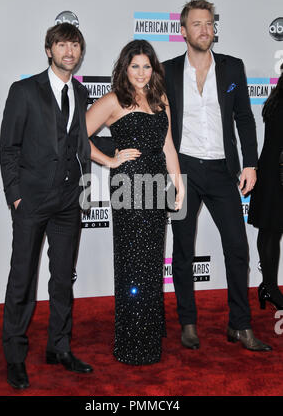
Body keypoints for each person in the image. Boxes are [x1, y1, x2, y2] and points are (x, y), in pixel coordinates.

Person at [163, 0, 271, 351]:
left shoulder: (232, 67)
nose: (205, 30)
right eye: (196, 24)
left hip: (224, 171)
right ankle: (188, 322)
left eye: (209, 23)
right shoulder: (166, 72)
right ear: (183, 31)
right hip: (184, 172)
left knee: (237, 249)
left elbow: (244, 118)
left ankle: (239, 325)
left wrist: (251, 163)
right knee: (182, 250)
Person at [0, 23, 93, 389]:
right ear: (49, 50)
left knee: (62, 279)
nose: (69, 51)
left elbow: (80, 144)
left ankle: (59, 347)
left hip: (69, 201)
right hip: (32, 201)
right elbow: (8, 149)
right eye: (62, 44)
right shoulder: (24, 91)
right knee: (22, 278)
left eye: (74, 45)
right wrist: (16, 196)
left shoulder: (82, 94)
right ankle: (15, 356)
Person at [86, 39, 184, 365]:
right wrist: (109, 160)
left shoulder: (161, 99)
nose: (141, 73)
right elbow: (74, 135)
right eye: (135, 66)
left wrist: (178, 181)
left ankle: (149, 335)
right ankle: (132, 343)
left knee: (152, 261)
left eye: (146, 66)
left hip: (157, 186)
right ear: (124, 69)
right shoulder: (115, 100)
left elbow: (168, 145)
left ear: (153, 69)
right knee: (132, 264)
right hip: (128, 188)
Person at [248, 63, 283, 310]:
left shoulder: (276, 98)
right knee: (272, 231)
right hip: (276, 173)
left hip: (271, 170)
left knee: (270, 231)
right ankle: (269, 287)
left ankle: (267, 286)